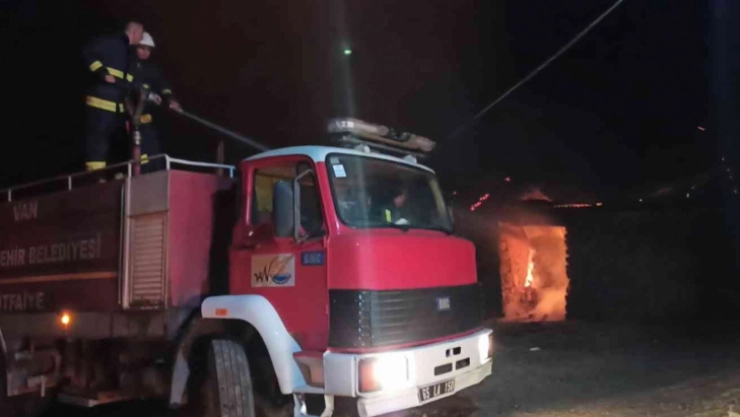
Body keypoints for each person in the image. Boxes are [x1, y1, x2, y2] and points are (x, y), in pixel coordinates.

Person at [82, 21, 145, 172]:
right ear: (134, 32)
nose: (141, 38)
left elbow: (130, 81)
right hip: (101, 102)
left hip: (120, 106)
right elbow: (87, 52)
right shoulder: (110, 42)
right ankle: (95, 177)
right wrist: (102, 72)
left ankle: (117, 175)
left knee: (119, 144)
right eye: (141, 35)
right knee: (98, 143)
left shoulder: (131, 54)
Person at [133, 32, 182, 173]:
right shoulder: (128, 65)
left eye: (148, 50)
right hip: (130, 121)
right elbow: (129, 86)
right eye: (142, 48)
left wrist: (170, 99)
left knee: (155, 153)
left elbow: (163, 86)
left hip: (147, 122)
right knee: (140, 155)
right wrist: (148, 95)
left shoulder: (151, 69)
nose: (145, 52)